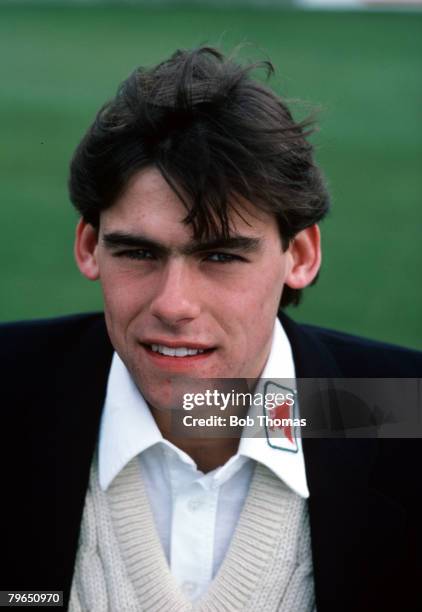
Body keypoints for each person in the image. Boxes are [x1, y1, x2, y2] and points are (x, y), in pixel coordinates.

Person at [1, 46, 421, 612]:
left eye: (220, 256)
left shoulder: (402, 410)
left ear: (299, 254)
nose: (174, 304)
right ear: (88, 246)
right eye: (138, 253)